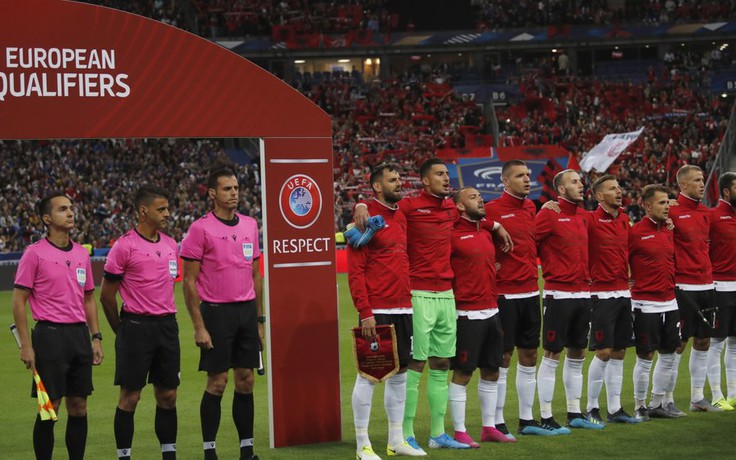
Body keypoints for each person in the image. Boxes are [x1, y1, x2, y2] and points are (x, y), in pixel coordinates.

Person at [354, 158, 512, 451]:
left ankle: (438, 434)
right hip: (418, 295)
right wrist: (360, 205)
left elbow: (474, 216)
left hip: (446, 296)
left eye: (446, 174)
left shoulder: (452, 209)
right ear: (425, 181)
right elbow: (379, 207)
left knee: (441, 362)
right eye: (439, 174)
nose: (445, 178)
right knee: (415, 364)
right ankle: (405, 433)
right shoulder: (410, 207)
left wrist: (496, 225)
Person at [181, 163, 264, 460]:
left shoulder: (250, 225)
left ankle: (247, 451)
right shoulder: (200, 228)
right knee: (217, 383)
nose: (234, 194)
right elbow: (188, 282)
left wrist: (259, 320)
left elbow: (256, 276)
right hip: (216, 314)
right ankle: (210, 452)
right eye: (227, 189)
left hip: (245, 312)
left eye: (236, 188)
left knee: (246, 379)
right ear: (213, 193)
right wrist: (199, 326)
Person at [12, 192, 104, 460]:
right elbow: (19, 301)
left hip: (78, 336)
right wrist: (26, 346)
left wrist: (96, 337)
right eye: (63, 209)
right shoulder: (34, 254)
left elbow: (88, 298)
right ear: (46, 218)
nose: (71, 212)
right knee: (49, 408)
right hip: (49, 336)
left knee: (79, 406)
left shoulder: (80, 253)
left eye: (71, 208)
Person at [347, 164, 425, 459]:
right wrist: (365, 312)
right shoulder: (363, 224)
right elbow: (356, 273)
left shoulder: (402, 214)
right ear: (377, 186)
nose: (399, 183)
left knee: (401, 373)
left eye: (399, 179)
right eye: (392, 180)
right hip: (377, 310)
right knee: (368, 375)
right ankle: (362, 445)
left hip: (404, 307)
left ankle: (395, 441)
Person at [100, 186, 180, 459]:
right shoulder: (124, 246)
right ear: (144, 211)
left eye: (167, 208)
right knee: (130, 398)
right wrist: (121, 331)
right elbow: (106, 296)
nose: (168, 214)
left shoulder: (171, 245)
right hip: (136, 328)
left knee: (168, 396)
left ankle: (169, 454)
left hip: (167, 326)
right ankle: (124, 455)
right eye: (162, 209)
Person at [484, 160, 550, 436]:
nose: (527, 180)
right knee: (504, 356)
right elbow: (465, 228)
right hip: (505, 294)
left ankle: (527, 419)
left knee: (530, 353)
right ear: (504, 181)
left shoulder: (531, 207)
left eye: (528, 175)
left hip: (531, 290)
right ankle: (498, 420)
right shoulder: (490, 209)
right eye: (520, 176)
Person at [448, 187, 515, 447]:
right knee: (463, 372)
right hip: (466, 313)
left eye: (480, 196)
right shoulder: (451, 234)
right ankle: (460, 431)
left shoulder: (485, 231)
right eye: (473, 197)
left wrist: (496, 225)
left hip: (492, 310)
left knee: (492, 370)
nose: (481, 200)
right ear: (460, 207)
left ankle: (488, 427)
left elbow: (487, 224)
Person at [535, 169, 601, 432]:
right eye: (574, 182)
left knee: (578, 353)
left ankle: (575, 412)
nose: (580, 185)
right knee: (552, 354)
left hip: (583, 294)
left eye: (580, 181)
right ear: (560, 190)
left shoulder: (585, 217)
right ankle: (546, 417)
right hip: (558, 294)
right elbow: (528, 241)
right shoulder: (549, 214)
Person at [582, 176, 640, 424]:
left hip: (622, 293)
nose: (619, 191)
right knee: (603, 351)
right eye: (612, 188)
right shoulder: (589, 220)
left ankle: (615, 410)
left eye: (618, 187)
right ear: (599, 196)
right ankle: (591, 408)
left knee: (618, 351)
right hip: (600, 294)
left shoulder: (625, 220)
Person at [669, 165, 720, 413]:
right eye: (697, 180)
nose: (702, 183)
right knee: (678, 343)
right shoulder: (671, 211)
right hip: (683, 286)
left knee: (703, 341)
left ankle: (697, 398)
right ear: (683, 185)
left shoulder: (706, 213)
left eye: (703, 179)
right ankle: (665, 399)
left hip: (707, 285)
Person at [629, 184, 681, 419]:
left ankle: (658, 402)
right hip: (645, 304)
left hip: (670, 302)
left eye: (668, 202)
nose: (667, 207)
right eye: (662, 203)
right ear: (647, 206)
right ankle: (640, 406)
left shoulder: (669, 230)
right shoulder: (635, 233)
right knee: (646, 356)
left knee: (669, 353)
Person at [705, 171, 736, 410]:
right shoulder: (713, 216)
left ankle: (733, 394)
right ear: (726, 191)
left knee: (734, 343)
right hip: (720, 286)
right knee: (716, 342)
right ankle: (716, 394)